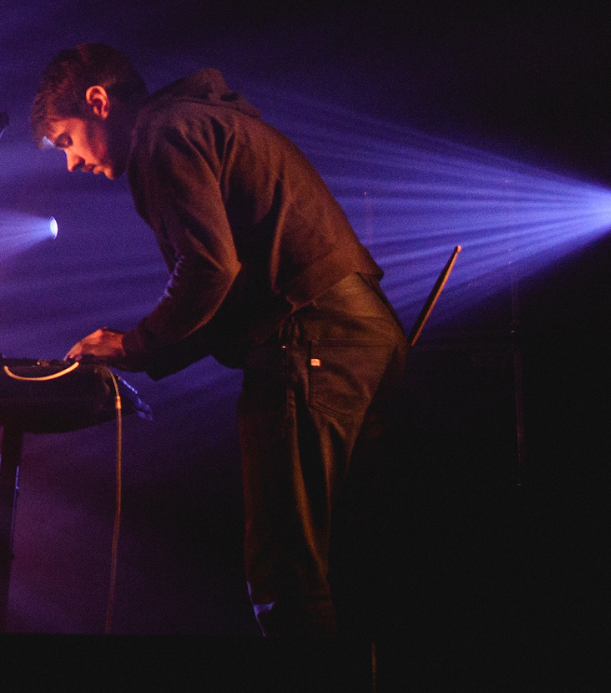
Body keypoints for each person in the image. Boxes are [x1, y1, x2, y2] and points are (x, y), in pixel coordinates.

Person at [34, 44, 407, 636]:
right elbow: (227, 293)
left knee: (286, 570)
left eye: (66, 141)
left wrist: (133, 347)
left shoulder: (164, 134)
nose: (71, 163)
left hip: (307, 344)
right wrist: (142, 348)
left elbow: (209, 270)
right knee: (350, 563)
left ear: (98, 102)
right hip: (360, 336)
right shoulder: (205, 121)